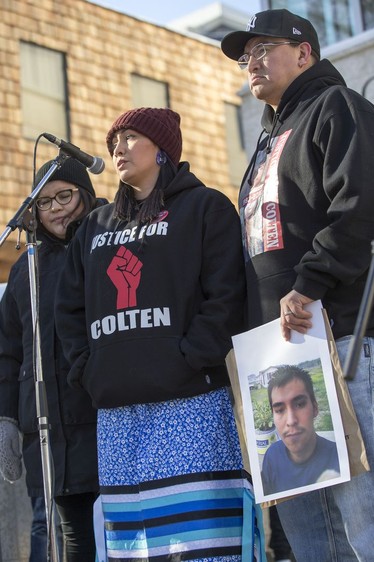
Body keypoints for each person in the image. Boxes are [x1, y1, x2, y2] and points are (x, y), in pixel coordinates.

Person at [54, 107, 266, 561]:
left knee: (202, 545)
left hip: (190, 405)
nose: (119, 147)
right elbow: (67, 308)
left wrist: (188, 358)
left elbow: (226, 295)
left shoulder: (205, 207)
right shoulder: (95, 225)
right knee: (135, 549)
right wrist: (87, 371)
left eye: (131, 137)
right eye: (115, 140)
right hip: (117, 417)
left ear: (162, 148)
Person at [221, 8, 374, 561]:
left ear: (305, 52)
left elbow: (359, 210)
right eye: (247, 54)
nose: (252, 62)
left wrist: (310, 281)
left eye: (265, 48)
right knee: (309, 532)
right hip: (277, 356)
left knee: (362, 519)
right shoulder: (265, 141)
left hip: (340, 340)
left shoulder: (339, 108)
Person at [0, 157, 104, 561]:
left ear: (86, 194)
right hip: (43, 431)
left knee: (110, 533)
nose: (56, 207)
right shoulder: (27, 267)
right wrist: (7, 418)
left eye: (65, 195)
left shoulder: (103, 245)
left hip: (97, 420)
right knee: (53, 529)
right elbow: (8, 350)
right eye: (44, 202)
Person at [261, 365, 339, 495]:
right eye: (279, 410)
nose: (291, 421)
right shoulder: (271, 457)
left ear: (315, 408)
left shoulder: (339, 457)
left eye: (300, 404)